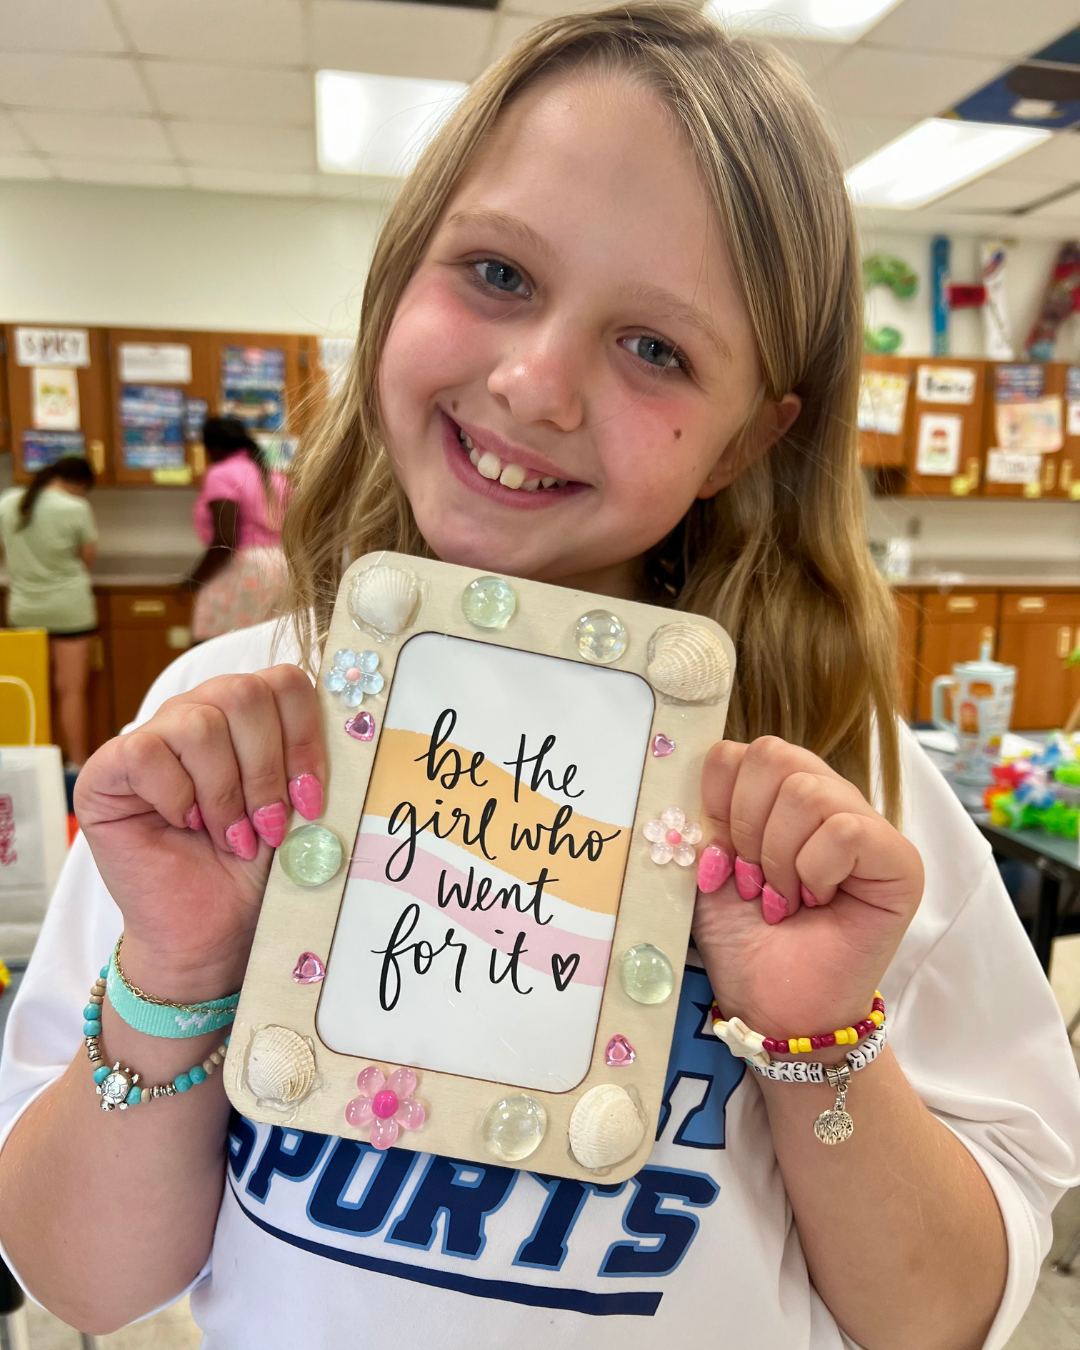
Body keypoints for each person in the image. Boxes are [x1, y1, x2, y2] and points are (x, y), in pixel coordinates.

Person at [1, 7, 1079, 1349]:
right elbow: (83, 1282)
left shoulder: (845, 801)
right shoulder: (224, 734)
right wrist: (177, 973)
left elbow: (942, 1315)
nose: (534, 381)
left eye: (656, 349)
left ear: (750, 433)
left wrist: (818, 1041)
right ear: (402, 272)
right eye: (499, 272)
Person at [0, 456, 98, 768]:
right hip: (70, 610)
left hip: (23, 608)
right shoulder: (75, 507)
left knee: (29, 690)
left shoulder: (8, 501)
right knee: (70, 691)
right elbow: (87, 557)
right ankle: (77, 763)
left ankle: (30, 765)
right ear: (80, 485)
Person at [187, 417, 289, 641]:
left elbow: (225, 539)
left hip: (241, 571)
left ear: (214, 447)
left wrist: (194, 580)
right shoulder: (274, 476)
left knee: (214, 653)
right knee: (265, 651)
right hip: (281, 570)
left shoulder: (221, 474)